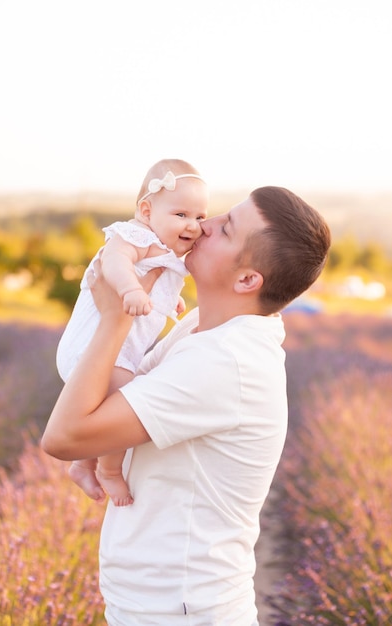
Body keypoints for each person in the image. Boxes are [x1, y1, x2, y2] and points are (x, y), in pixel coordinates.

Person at [42, 185, 331, 626]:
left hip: (182, 612)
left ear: (248, 280)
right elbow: (112, 396)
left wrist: (115, 320)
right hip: (159, 605)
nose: (203, 225)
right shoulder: (204, 327)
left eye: (225, 228)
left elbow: (64, 437)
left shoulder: (225, 361)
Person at [56, 158, 208, 505]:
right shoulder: (136, 236)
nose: (193, 225)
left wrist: (170, 302)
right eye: (181, 215)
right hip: (92, 348)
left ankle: (83, 463)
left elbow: (157, 288)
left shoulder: (168, 255)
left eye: (200, 217)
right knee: (126, 405)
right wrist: (130, 291)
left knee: (105, 408)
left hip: (117, 352)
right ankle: (109, 469)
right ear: (145, 210)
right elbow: (115, 263)